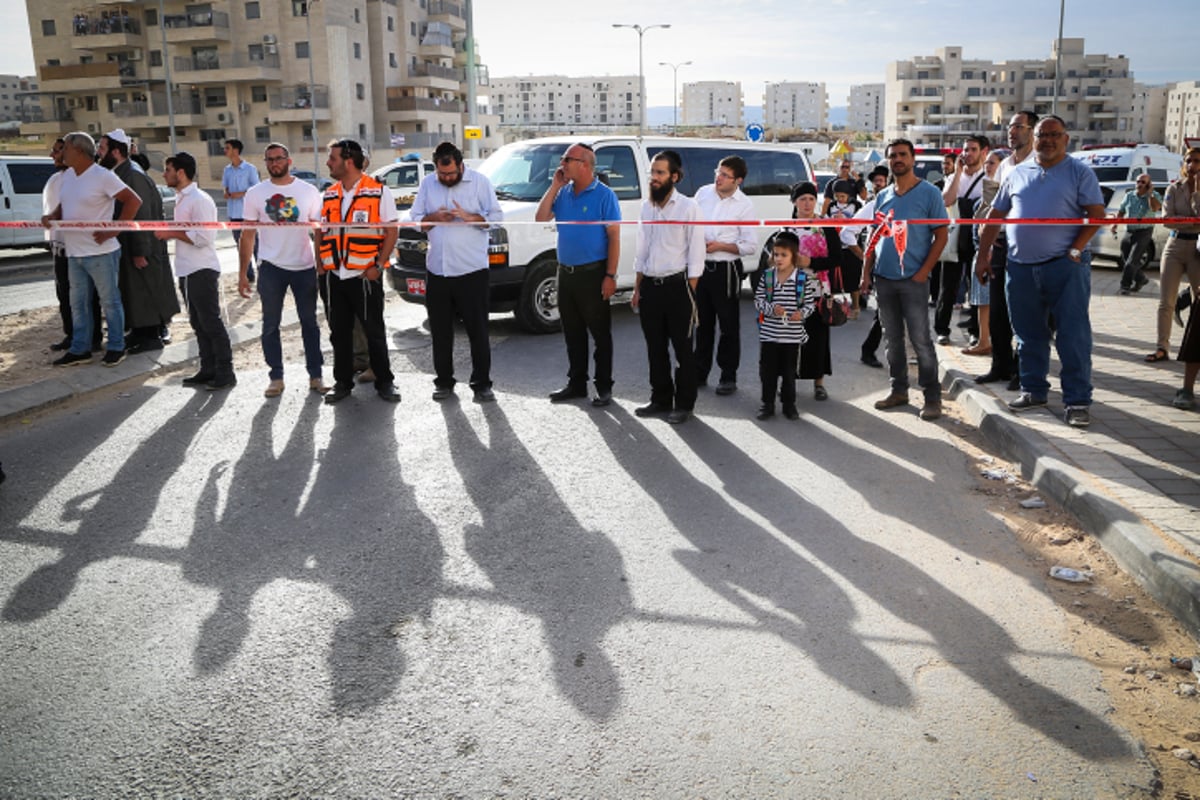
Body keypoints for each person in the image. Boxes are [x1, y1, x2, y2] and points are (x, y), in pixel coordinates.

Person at [976, 115, 1106, 429]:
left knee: (1073, 336)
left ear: (1066, 138)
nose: (1047, 140)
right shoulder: (1018, 173)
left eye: (1054, 134)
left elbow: (1097, 215)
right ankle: (1033, 390)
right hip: (1020, 268)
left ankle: (1076, 401)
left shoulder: (1079, 172)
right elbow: (996, 215)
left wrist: (1076, 249)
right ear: (1034, 139)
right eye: (1041, 135)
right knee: (1028, 335)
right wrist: (983, 255)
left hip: (1065, 267)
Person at [860, 138, 949, 421]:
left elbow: (942, 235)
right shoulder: (883, 196)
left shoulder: (929, 194)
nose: (897, 159)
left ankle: (932, 398)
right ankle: (899, 390)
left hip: (914, 279)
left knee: (921, 340)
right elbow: (873, 238)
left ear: (912, 159)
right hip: (883, 280)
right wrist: (866, 272)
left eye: (902, 155)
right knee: (892, 340)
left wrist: (924, 272)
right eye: (892, 156)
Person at [410, 141, 503, 402]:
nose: (447, 178)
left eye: (451, 173)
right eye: (442, 174)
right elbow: (414, 219)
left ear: (461, 165)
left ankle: (482, 384)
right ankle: (444, 382)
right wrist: (433, 219)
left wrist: (471, 216)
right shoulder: (428, 183)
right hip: (438, 270)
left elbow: (497, 217)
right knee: (440, 332)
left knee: (478, 331)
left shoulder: (480, 182)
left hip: (472, 270)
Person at [42, 131, 142, 367]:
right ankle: (81, 349)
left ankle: (116, 346)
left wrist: (114, 230)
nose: (60, 152)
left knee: (110, 302)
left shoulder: (102, 176)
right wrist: (53, 216)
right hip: (74, 252)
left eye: (64, 148)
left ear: (78, 150)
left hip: (101, 252)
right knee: (78, 304)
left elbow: (133, 201)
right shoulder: (67, 177)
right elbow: (64, 205)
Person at [238, 142, 329, 398]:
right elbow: (247, 236)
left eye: (279, 158)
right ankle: (276, 377)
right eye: (269, 159)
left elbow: (319, 231)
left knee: (310, 323)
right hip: (270, 267)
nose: (274, 163)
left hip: (304, 266)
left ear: (289, 161)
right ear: (265, 163)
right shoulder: (255, 193)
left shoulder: (309, 191)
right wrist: (243, 272)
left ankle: (316, 375)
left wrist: (320, 263)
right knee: (270, 325)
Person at [314, 139, 401, 404]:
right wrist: (320, 264)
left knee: (373, 330)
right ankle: (342, 383)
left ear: (348, 160)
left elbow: (391, 231)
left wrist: (378, 266)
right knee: (338, 332)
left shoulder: (377, 192)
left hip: (364, 276)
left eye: (332, 158)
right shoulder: (328, 194)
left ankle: (385, 382)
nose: (328, 163)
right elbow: (320, 230)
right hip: (334, 276)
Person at [534, 142, 620, 407]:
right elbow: (541, 217)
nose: (561, 163)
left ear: (583, 164)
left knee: (600, 334)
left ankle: (603, 387)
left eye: (566, 159)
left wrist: (611, 275)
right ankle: (577, 384)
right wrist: (554, 186)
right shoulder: (563, 193)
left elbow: (614, 236)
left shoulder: (604, 195)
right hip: (566, 273)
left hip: (593, 273)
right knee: (572, 333)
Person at [631, 150, 706, 425]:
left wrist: (690, 293)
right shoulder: (646, 207)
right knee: (655, 348)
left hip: (678, 288)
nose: (654, 178)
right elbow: (641, 250)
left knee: (683, 349)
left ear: (674, 176)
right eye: (653, 172)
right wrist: (638, 288)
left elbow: (697, 255)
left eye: (660, 173)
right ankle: (660, 399)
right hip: (651, 286)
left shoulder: (688, 207)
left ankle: (684, 404)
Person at [154, 152, 235, 390]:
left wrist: (171, 232)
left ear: (180, 172)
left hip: (202, 270)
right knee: (198, 323)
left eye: (168, 169)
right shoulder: (182, 198)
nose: (164, 174)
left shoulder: (199, 200)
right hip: (187, 270)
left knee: (211, 322)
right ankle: (208, 368)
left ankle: (226, 371)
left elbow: (204, 238)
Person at [98, 128, 180, 353]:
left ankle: (150, 336)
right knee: (134, 292)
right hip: (129, 244)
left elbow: (142, 216)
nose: (98, 153)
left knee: (145, 290)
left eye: (102, 149)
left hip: (142, 245)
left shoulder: (132, 175)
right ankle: (138, 332)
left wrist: (140, 250)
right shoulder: (121, 172)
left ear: (115, 152)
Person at [975, 111, 1038, 389]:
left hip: (1028, 246)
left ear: (1033, 131)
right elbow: (990, 204)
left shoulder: (1042, 163)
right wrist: (984, 241)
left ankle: (1022, 370)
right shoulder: (1005, 165)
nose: (1012, 132)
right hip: (1000, 244)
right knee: (998, 309)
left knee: (1024, 312)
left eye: (1019, 127)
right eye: (1010, 127)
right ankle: (1000, 365)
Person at [768, 181, 841, 401]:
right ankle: (786, 381)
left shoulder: (826, 226)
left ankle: (819, 382)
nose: (807, 203)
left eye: (811, 199)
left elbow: (837, 258)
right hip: (790, 291)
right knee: (787, 338)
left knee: (818, 338)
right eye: (802, 199)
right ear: (794, 202)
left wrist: (812, 262)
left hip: (818, 291)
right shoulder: (786, 228)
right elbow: (774, 258)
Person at [693, 155, 757, 395]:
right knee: (702, 324)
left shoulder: (744, 205)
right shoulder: (702, 193)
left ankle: (728, 376)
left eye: (724, 175)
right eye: (717, 172)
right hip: (701, 266)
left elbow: (749, 246)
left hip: (726, 269)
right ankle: (699, 371)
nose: (718, 178)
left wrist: (721, 246)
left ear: (737, 180)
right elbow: (691, 223)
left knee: (728, 325)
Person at [44, 137, 101, 353]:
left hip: (78, 246)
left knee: (86, 294)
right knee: (65, 293)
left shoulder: (80, 177)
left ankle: (93, 338)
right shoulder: (59, 178)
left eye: (59, 150)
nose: (55, 155)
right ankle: (72, 334)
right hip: (59, 245)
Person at [754, 230, 817, 421]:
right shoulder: (768, 277)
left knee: (789, 373)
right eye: (776, 254)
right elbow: (758, 301)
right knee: (768, 372)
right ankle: (767, 404)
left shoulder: (802, 279)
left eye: (784, 255)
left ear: (794, 256)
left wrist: (802, 314)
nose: (779, 258)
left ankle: (789, 405)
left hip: (792, 336)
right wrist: (771, 309)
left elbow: (810, 304)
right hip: (769, 335)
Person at [1145, 147, 1200, 363]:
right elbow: (1167, 219)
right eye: (1189, 160)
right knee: (1166, 300)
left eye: (1197, 161)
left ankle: (1194, 352)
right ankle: (1162, 347)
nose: (1192, 165)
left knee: (1198, 300)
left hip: (1197, 247)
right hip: (1175, 245)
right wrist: (1191, 222)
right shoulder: (1173, 188)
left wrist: (1195, 191)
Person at [937, 135, 990, 346]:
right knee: (947, 286)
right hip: (955, 237)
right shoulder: (954, 177)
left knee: (976, 286)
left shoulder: (990, 176)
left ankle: (976, 331)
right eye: (965, 150)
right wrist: (958, 173)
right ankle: (942, 329)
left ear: (983, 152)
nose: (967, 154)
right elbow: (947, 200)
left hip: (978, 237)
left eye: (972, 150)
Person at [960, 149, 1005, 359]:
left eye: (993, 163)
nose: (988, 167)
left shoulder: (1003, 195)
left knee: (996, 304)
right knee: (981, 302)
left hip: (997, 256)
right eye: (986, 163)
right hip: (980, 254)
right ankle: (983, 340)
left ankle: (995, 343)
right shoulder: (983, 198)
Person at [846, 166, 891, 367]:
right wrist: (864, 257)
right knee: (884, 313)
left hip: (908, 267)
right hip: (883, 267)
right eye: (875, 180)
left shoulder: (906, 202)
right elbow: (847, 232)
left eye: (882, 179)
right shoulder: (874, 206)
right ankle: (869, 350)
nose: (878, 183)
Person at [1113, 176, 1162, 295]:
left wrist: (1150, 194)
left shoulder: (1154, 195)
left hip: (1144, 232)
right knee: (1125, 258)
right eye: (1138, 181)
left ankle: (1125, 286)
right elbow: (1122, 210)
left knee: (1132, 260)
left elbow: (1155, 208)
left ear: (1149, 184)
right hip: (1129, 230)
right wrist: (1115, 225)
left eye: (1143, 182)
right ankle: (1141, 279)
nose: (1139, 184)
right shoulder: (1130, 195)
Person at [222, 138, 259, 283]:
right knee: (240, 246)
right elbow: (225, 186)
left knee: (255, 245)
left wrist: (241, 193)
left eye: (227, 148)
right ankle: (248, 275)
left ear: (236, 150)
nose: (225, 151)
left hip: (248, 215)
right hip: (234, 214)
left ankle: (262, 272)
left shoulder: (250, 169)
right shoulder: (227, 170)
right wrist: (226, 192)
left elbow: (256, 189)